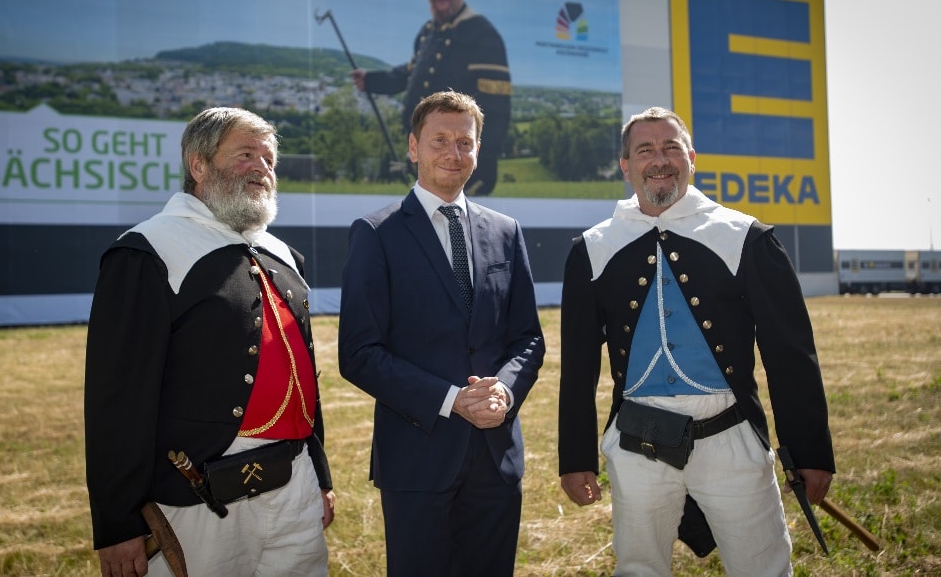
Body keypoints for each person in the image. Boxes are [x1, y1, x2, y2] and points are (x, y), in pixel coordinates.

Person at [557, 106, 834, 576]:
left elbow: (789, 354)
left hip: (731, 437)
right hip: (637, 444)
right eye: (645, 150)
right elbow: (579, 364)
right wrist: (576, 456)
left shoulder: (746, 236)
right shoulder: (593, 248)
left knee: (763, 567)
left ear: (691, 158)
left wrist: (808, 450)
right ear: (626, 166)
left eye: (671, 147)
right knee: (639, 567)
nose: (659, 159)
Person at [85, 107, 335, 576]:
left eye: (269, 158)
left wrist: (319, 477)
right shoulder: (148, 251)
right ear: (198, 165)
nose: (262, 168)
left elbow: (304, 377)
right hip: (196, 492)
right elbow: (116, 398)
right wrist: (117, 522)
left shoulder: (283, 254)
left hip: (293, 479)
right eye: (245, 154)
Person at [337, 90, 545, 576]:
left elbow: (528, 339)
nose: (454, 153)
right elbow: (360, 353)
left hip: (496, 459)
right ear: (413, 147)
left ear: (478, 150)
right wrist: (452, 398)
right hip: (417, 458)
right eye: (440, 140)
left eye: (466, 142)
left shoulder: (506, 231)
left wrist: (505, 394)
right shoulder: (376, 233)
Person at [350, 0, 510, 197]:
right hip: (430, 165)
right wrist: (371, 80)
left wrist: (479, 170)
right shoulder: (428, 31)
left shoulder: (481, 33)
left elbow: (496, 112)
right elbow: (410, 74)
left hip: (460, 172)